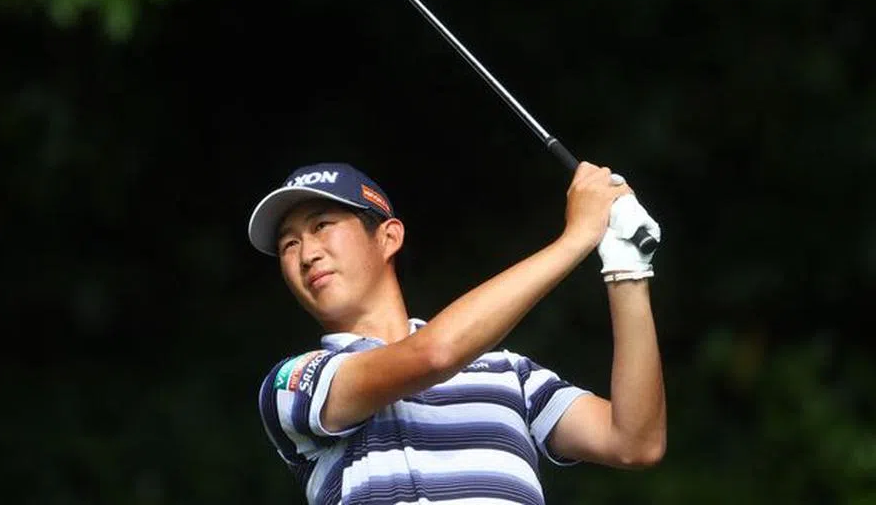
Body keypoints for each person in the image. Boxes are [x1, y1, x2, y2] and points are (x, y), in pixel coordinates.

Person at [249, 160, 666, 505]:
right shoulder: (293, 384)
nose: (307, 254)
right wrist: (576, 238)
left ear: (388, 237)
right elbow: (433, 355)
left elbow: (633, 442)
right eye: (289, 244)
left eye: (322, 225)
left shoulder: (508, 372)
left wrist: (627, 269)